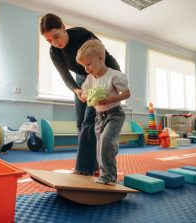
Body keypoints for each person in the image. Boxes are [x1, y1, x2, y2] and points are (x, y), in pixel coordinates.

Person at [40, 13, 121, 176]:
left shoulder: (83, 36)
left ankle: (83, 169)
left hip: (103, 72)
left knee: (90, 121)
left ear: (63, 27)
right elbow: (66, 76)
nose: (55, 43)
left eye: (56, 36)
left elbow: (102, 63)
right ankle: (93, 166)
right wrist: (77, 91)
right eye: (49, 40)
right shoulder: (54, 52)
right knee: (80, 122)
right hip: (81, 77)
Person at [76, 39, 130, 184]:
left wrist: (111, 99)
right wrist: (85, 96)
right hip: (99, 117)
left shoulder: (114, 75)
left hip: (115, 114)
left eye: (89, 64)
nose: (86, 69)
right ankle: (104, 172)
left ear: (100, 58)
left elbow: (126, 93)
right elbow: (83, 94)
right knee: (100, 147)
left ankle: (109, 176)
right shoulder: (90, 78)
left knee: (107, 141)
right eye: (83, 66)